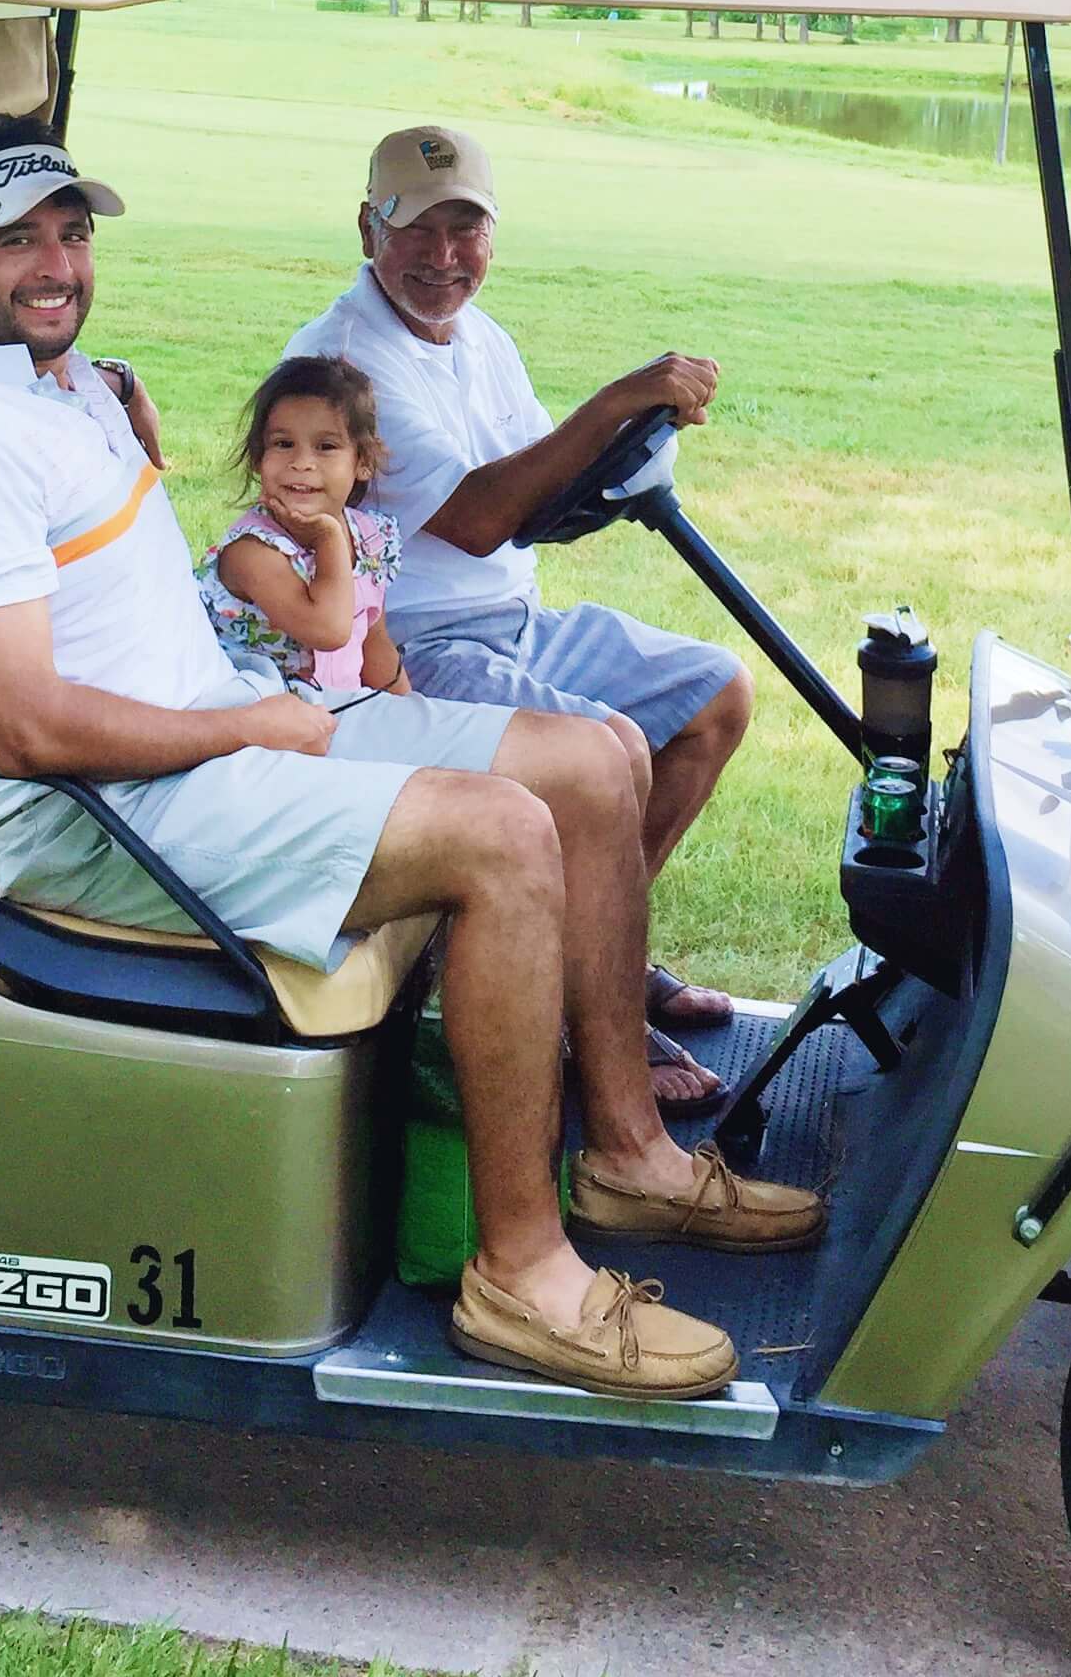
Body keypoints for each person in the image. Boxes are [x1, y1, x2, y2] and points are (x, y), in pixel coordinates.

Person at [0, 114, 823, 1403]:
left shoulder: (60, 383)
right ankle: (522, 1278)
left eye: (72, 234)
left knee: (593, 769)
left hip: (225, 729)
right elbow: (28, 729)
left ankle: (630, 1159)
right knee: (503, 831)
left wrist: (123, 423)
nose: (56, 264)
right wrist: (247, 724)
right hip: (105, 813)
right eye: (15, 240)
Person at [286, 124, 754, 1106]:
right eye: (416, 231)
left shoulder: (480, 339)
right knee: (611, 747)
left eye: (466, 231)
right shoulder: (346, 364)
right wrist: (623, 395)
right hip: (407, 651)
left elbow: (543, 487)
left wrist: (626, 439)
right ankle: (594, 1023)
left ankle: (602, 964)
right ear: (368, 228)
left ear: (492, 236)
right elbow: (484, 512)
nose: (443, 259)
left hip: (513, 618)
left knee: (715, 694)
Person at [198, 355, 407, 696]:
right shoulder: (254, 553)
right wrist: (328, 540)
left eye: (326, 447)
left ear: (363, 462)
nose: (302, 463)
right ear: (257, 459)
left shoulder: (370, 539)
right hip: (257, 724)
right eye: (283, 444)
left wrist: (409, 715)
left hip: (337, 713)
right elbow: (329, 630)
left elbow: (375, 643)